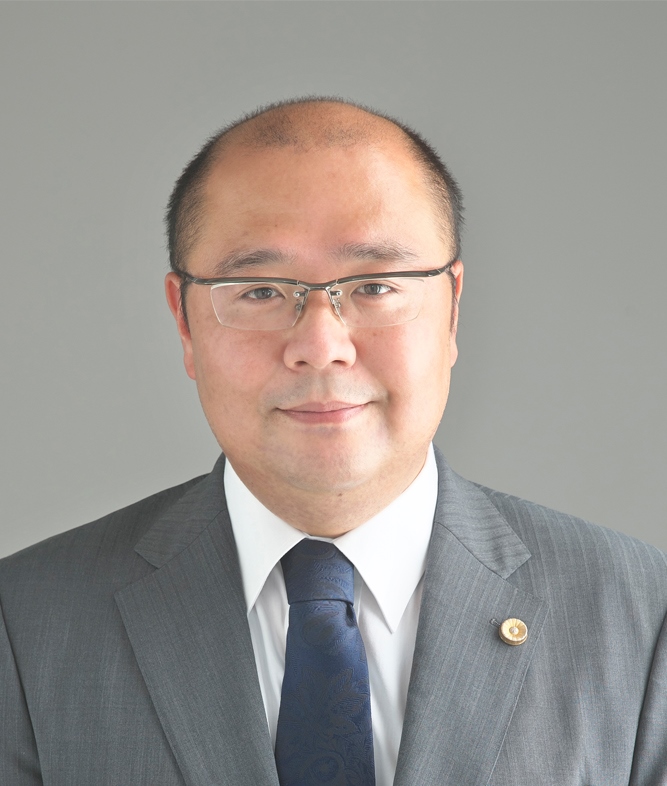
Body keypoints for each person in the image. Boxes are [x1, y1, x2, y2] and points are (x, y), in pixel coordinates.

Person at [1, 98, 666, 786]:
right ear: (185, 322)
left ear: (451, 309)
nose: (320, 346)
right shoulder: (25, 625)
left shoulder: (639, 615)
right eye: (259, 290)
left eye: (374, 285)